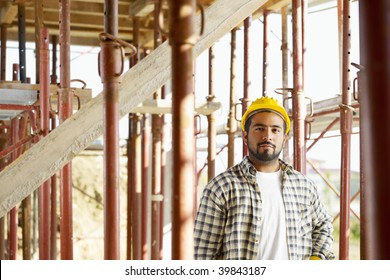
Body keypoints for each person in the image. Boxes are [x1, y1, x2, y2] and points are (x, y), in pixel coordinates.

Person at [194, 96, 335, 260]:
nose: (267, 136)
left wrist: (317, 258)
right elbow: (203, 253)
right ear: (245, 136)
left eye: (275, 130)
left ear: (285, 137)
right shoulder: (221, 187)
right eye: (259, 129)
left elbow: (323, 226)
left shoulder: (303, 186)